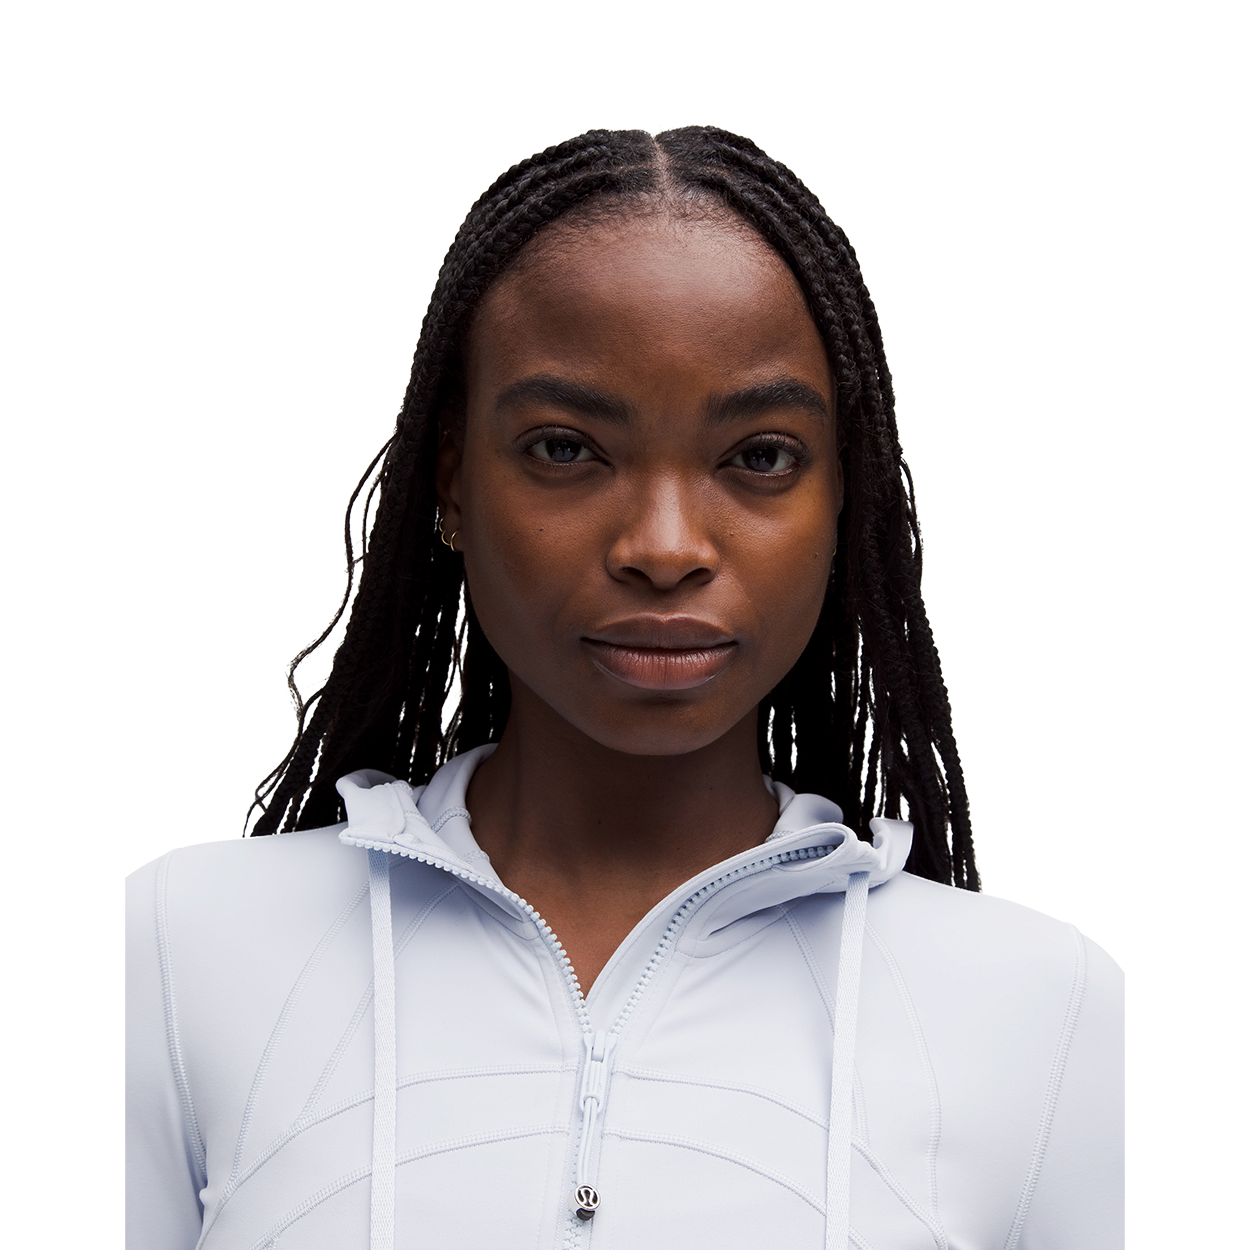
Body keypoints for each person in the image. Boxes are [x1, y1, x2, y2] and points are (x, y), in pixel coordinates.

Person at [126, 126, 1123, 1250]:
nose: (664, 545)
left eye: (760, 456)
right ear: (451, 479)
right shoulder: (180, 955)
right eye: (565, 449)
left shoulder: (1043, 1013)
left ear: (844, 497)